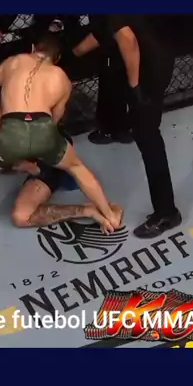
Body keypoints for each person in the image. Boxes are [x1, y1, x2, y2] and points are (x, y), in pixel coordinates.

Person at [0, 34, 122, 245]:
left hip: (13, 135)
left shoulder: (15, 62)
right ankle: (109, 214)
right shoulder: (61, 79)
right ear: (57, 59)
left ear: (32, 48)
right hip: (43, 131)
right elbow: (55, 119)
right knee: (78, 168)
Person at [72, 15, 181, 239]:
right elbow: (104, 32)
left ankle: (167, 212)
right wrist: (71, 55)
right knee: (143, 130)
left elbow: (127, 40)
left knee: (148, 135)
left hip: (149, 66)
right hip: (151, 55)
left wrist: (135, 87)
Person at [0, 102, 118, 231]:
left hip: (48, 147)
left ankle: (107, 210)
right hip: (40, 163)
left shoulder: (2, 116)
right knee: (21, 216)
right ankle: (88, 211)